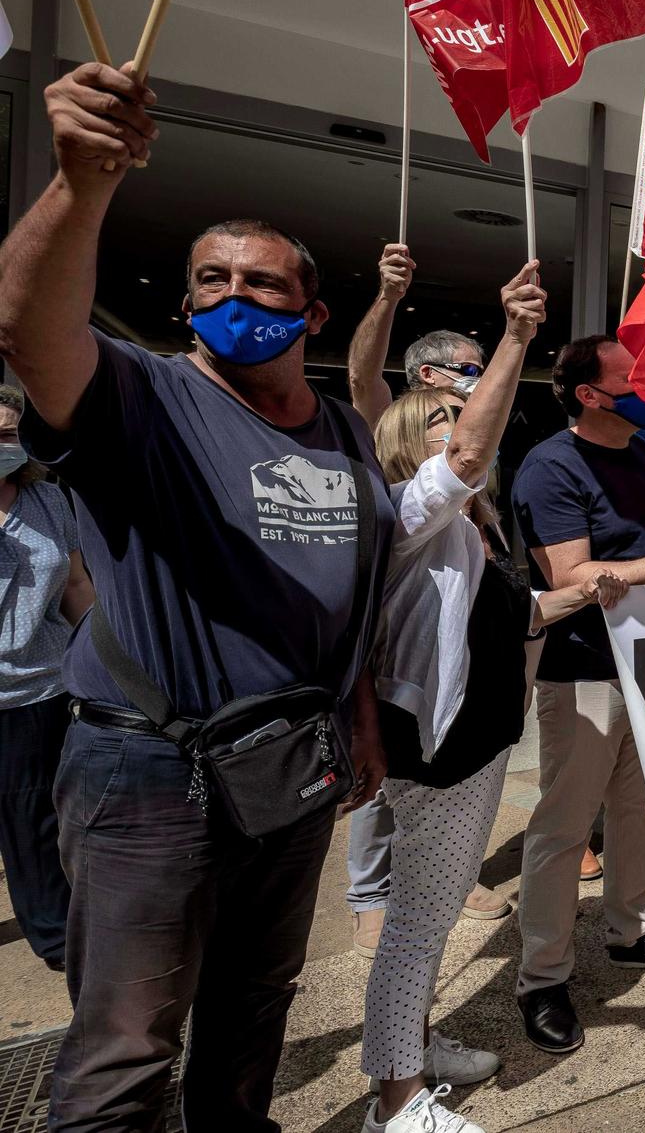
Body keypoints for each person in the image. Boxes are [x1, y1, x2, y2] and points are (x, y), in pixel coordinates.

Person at [0, 62, 393, 1127]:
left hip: (290, 765)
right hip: (146, 765)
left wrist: (355, 710)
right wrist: (82, 186)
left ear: (310, 312)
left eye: (262, 284)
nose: (234, 298)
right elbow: (31, 332)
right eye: (211, 281)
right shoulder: (143, 396)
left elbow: (346, 596)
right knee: (126, 1043)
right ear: (184, 306)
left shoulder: (348, 436)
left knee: (254, 1003)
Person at [358, 262, 599, 1133]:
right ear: (404, 445)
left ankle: (411, 1051)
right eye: (445, 419)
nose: (467, 429)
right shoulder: (409, 515)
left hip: (480, 744)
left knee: (424, 917)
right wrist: (516, 338)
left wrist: (593, 588)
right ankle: (397, 1100)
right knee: (419, 924)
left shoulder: (465, 528)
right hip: (441, 751)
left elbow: (518, 613)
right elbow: (462, 459)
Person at [510, 336, 645, 1053]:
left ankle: (630, 930)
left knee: (636, 810)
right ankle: (542, 976)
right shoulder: (549, 467)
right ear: (588, 394)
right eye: (628, 376)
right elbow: (573, 571)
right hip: (582, 670)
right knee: (564, 827)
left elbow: (635, 533)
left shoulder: (637, 453)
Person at [344, 242, 509, 951]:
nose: (476, 389)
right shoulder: (405, 439)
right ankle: (370, 891)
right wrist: (385, 298)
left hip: (460, 687)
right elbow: (360, 375)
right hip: (402, 678)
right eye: (469, 373)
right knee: (386, 782)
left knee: (428, 798)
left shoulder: (473, 474)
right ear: (429, 381)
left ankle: (435, 876)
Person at [0, 385, 93, 973]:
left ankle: (64, 939)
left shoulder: (47, 500)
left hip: (45, 690)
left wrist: (105, 658)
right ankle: (59, 939)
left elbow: (76, 584)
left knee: (45, 819)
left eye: (8, 434)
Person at [347, 242, 487, 428]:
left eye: (480, 374)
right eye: (469, 370)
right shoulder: (394, 425)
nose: (476, 381)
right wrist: (388, 296)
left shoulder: (480, 426)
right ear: (429, 373)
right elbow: (362, 379)